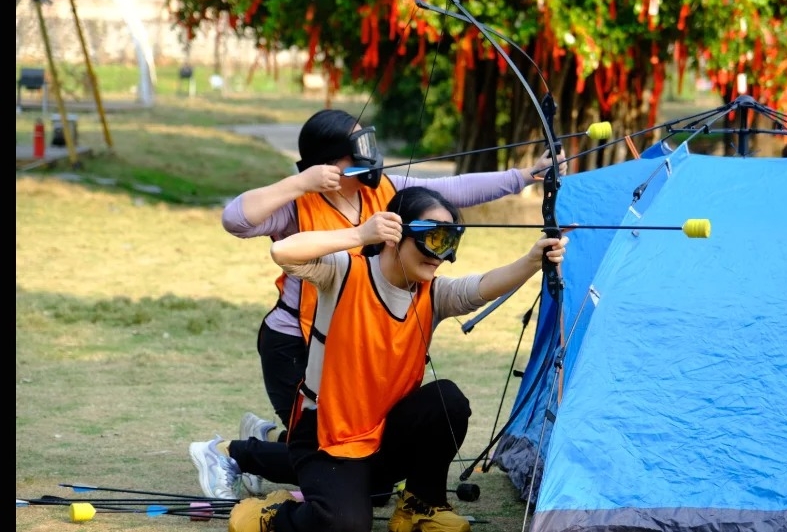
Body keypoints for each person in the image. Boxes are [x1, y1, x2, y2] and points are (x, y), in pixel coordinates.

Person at [221, 108, 567, 494]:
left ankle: (268, 444)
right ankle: (234, 453)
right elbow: (236, 220)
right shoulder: (299, 203)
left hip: (359, 341)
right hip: (297, 343)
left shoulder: (384, 190)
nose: (371, 154)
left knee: (366, 470)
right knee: (325, 450)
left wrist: (522, 177)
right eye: (358, 147)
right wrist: (302, 183)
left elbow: (453, 192)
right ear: (333, 161)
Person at [190, 186, 568, 532]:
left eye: (449, 242)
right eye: (432, 239)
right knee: (346, 524)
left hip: (383, 432)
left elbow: (481, 287)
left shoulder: (431, 293)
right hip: (326, 433)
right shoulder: (343, 271)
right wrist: (359, 235)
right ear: (394, 234)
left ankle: (422, 505)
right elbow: (281, 251)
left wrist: (534, 259)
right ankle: (264, 516)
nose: (442, 256)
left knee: (447, 401)